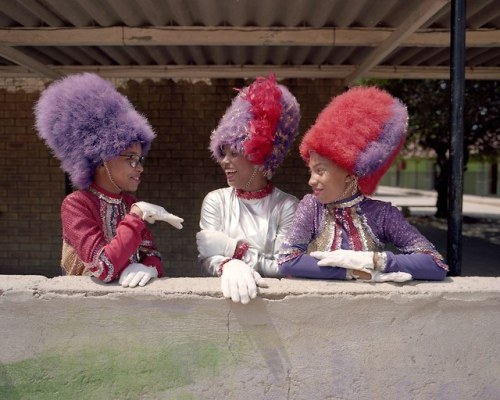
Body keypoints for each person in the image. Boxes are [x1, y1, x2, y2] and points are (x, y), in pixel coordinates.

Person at [278, 86, 448, 282]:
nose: (311, 180)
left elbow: (436, 265)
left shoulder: (383, 214)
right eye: (311, 171)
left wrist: (375, 260)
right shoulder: (312, 207)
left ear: (351, 173)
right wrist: (352, 272)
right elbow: (287, 261)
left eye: (320, 171)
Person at [35, 73, 183, 287]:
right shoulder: (76, 204)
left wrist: (149, 267)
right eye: (131, 159)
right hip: (83, 313)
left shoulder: (130, 204)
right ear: (103, 157)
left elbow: (153, 256)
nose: (140, 168)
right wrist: (136, 216)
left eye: (140, 159)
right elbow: (103, 267)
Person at [196, 74, 301, 304]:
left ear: (259, 157)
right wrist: (229, 265)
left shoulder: (287, 206)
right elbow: (207, 258)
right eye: (223, 152)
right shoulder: (216, 200)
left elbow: (284, 266)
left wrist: (236, 250)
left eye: (234, 153)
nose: (224, 161)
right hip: (219, 306)